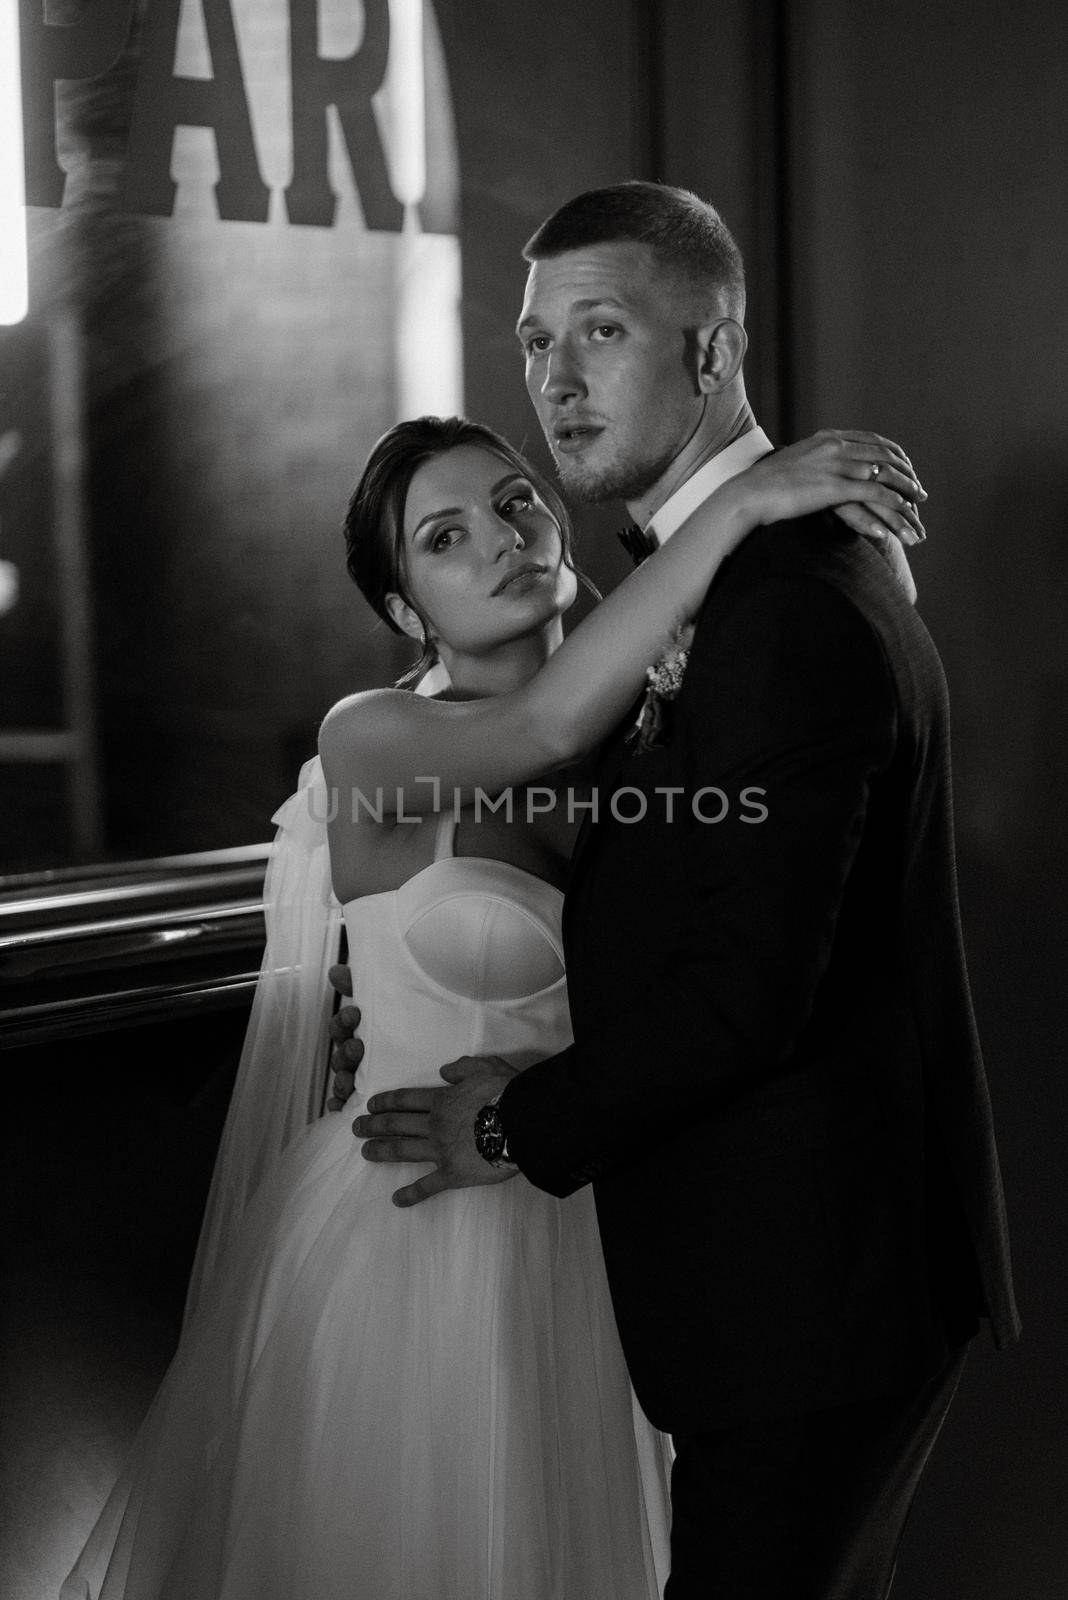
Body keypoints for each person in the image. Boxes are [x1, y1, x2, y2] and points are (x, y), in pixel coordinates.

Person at [62, 406, 916, 1599]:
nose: (503, 539)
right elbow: (541, 721)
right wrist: (743, 501)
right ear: (407, 611)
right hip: (411, 1233)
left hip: (599, 1221)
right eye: (447, 538)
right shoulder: (374, 739)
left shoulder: (650, 746)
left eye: (517, 502)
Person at [343, 183, 1020, 1599]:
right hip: (744, 1279)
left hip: (805, 1292)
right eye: (534, 344)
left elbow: (742, 993)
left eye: (602, 332)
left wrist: (511, 1121)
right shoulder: (724, 592)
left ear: (714, 354)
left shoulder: (780, 603)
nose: (557, 381)